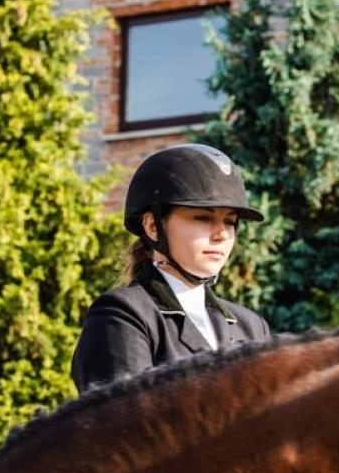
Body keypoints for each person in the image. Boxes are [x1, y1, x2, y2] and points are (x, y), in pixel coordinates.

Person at [71, 143, 270, 393]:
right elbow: (124, 424)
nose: (221, 234)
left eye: (230, 222)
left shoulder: (251, 326)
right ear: (153, 226)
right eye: (203, 218)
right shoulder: (122, 316)